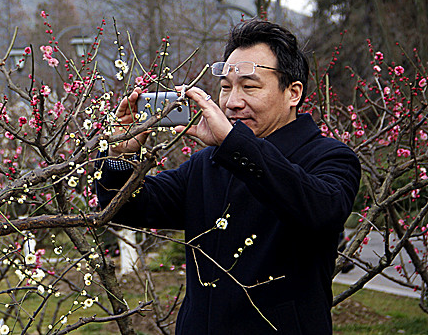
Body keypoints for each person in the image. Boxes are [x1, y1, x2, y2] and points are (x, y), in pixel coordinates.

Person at [96, 19, 360, 335]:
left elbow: (320, 210)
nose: (232, 102)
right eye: (225, 87)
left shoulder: (330, 157)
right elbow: (125, 207)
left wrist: (235, 146)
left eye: (249, 87)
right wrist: (121, 155)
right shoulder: (207, 163)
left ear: (293, 93)